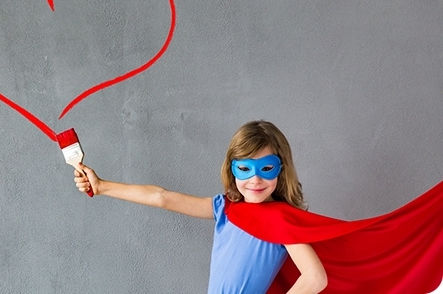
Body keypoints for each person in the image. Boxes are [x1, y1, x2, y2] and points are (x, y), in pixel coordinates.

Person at [73, 120, 328, 294]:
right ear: (232, 168)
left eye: (266, 167)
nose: (255, 179)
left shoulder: (283, 221)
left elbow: (315, 278)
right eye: (245, 168)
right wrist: (102, 186)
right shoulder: (225, 208)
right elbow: (162, 197)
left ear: (281, 168)